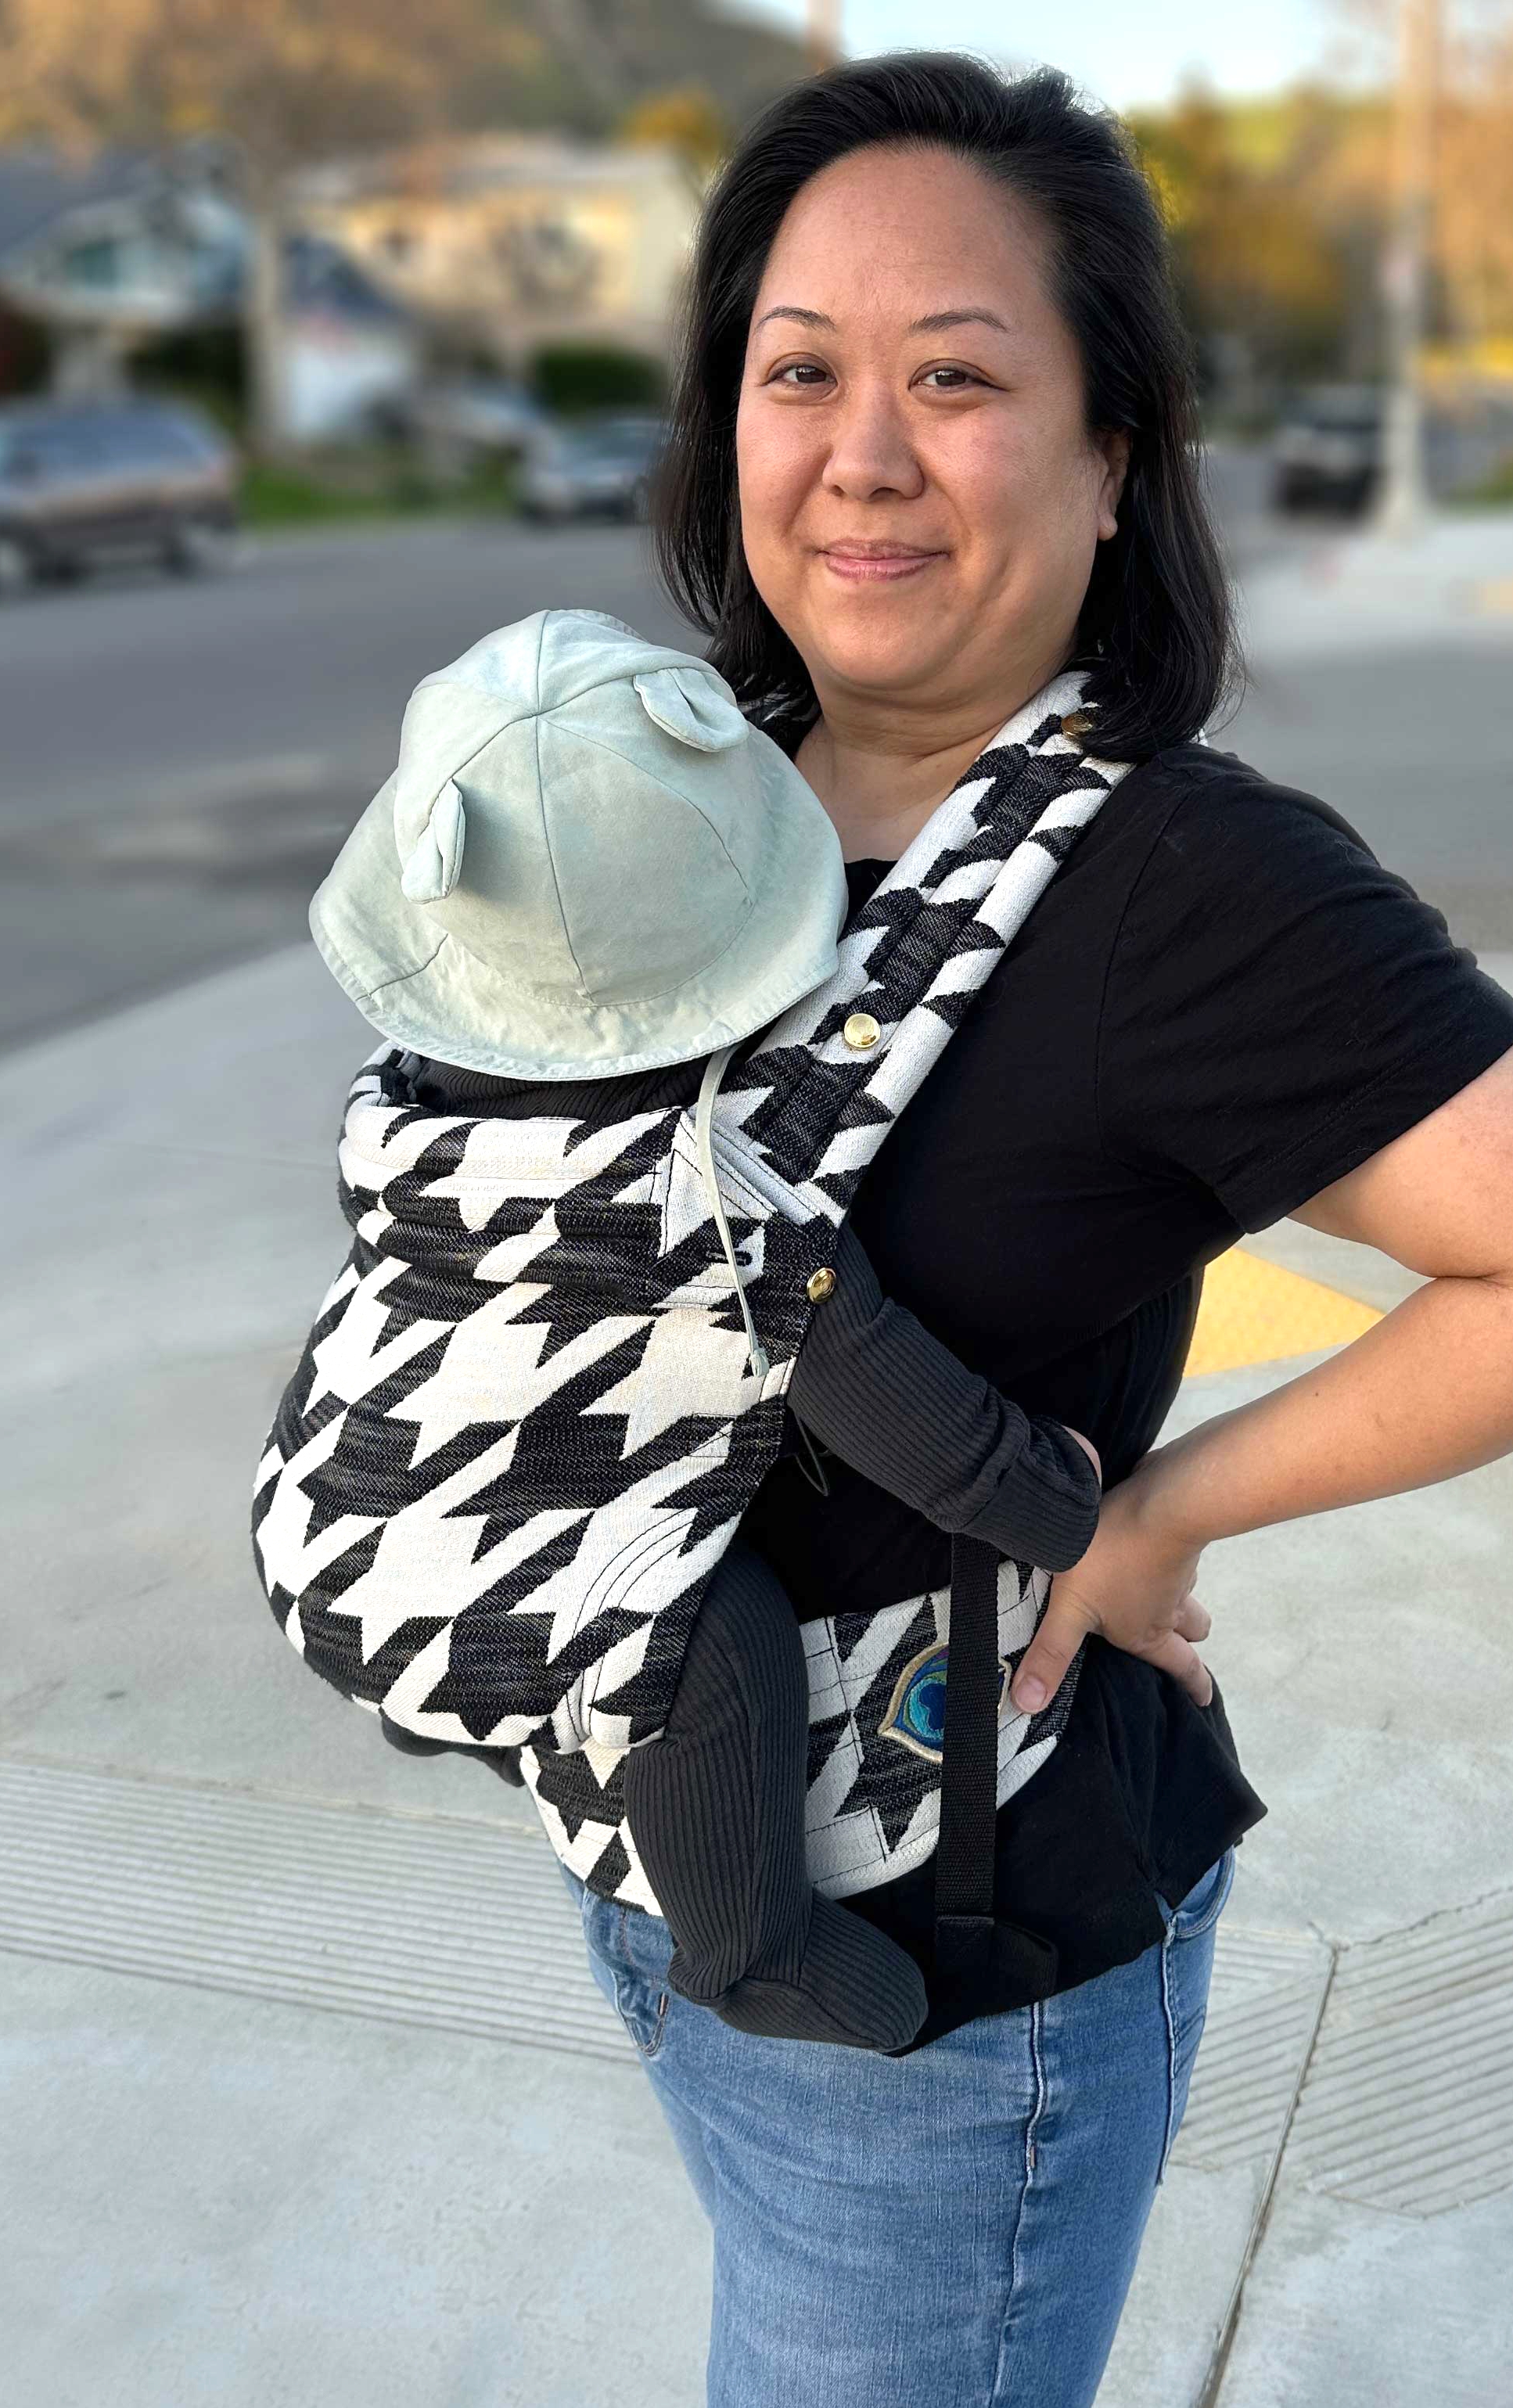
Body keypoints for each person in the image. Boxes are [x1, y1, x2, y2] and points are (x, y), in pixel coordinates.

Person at [556, 49, 1513, 2408]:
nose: (861, 450)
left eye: (959, 379)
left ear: (1114, 462)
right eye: (800, 372)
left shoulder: (1180, 884)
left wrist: (1158, 1509)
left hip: (944, 1975)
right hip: (662, 1836)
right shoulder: (688, 803)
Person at [292, 609, 1106, 2055]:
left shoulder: (408, 1098)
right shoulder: (712, 1205)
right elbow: (889, 1403)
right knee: (695, 1648)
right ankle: (753, 1946)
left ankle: (512, 1686)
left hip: (335, 1506)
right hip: (496, 1568)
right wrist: (1050, 1499)